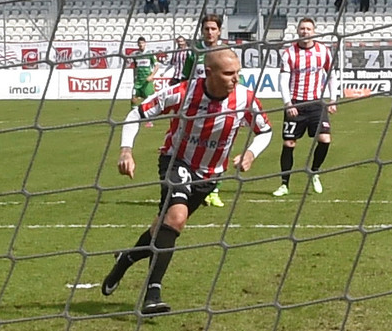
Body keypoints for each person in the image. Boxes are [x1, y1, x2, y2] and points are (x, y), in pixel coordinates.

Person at [102, 49, 273, 314]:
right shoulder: (183, 93)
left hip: (211, 174)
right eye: (229, 73)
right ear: (210, 73)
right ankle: (153, 293)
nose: (235, 79)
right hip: (176, 162)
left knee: (162, 228)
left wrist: (250, 153)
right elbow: (137, 114)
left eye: (238, 72)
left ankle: (126, 259)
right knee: (176, 218)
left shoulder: (244, 99)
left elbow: (265, 131)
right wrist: (126, 150)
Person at [272, 17, 338, 197]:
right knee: (289, 143)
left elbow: (331, 75)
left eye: (308, 29)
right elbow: (283, 80)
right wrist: (288, 104)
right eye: (302, 29)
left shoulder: (323, 51)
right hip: (296, 104)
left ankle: (314, 172)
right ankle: (284, 184)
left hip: (317, 103)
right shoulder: (289, 53)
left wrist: (333, 99)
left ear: (314, 31)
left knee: (325, 139)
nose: (305, 32)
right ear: (298, 31)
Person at [181, 14, 226, 207]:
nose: (210, 32)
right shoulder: (194, 51)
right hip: (197, 109)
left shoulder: (226, 51)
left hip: (220, 108)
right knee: (193, 149)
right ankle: (195, 188)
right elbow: (186, 79)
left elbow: (233, 79)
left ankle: (214, 191)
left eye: (213, 28)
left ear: (219, 30)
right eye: (206, 28)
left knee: (219, 150)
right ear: (202, 30)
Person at [130, 36, 159, 128]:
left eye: (142, 43)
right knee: (133, 99)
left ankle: (150, 121)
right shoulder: (136, 55)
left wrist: (152, 75)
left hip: (147, 82)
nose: (140, 45)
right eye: (139, 43)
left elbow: (157, 66)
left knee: (149, 100)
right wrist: (134, 78)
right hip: (138, 81)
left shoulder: (150, 54)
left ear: (145, 43)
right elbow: (135, 68)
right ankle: (134, 119)